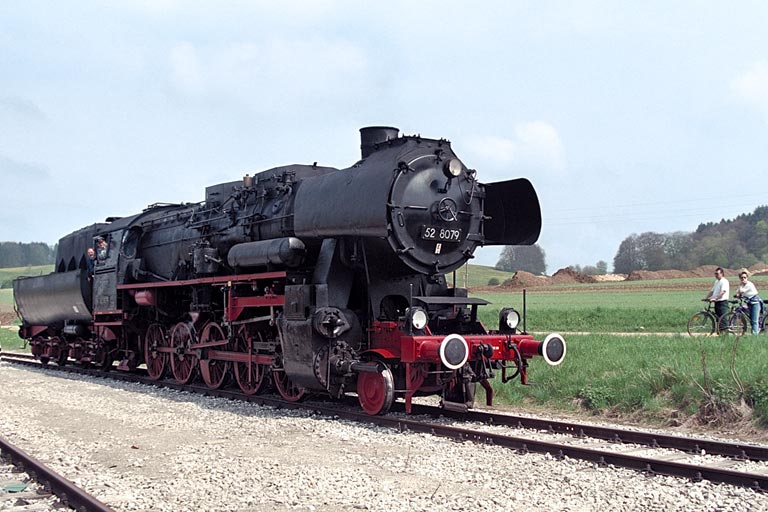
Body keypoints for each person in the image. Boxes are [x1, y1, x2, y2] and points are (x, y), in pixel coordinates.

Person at [735, 270, 764, 335]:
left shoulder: (749, 284)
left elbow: (741, 291)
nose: (743, 279)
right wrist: (737, 294)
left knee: (754, 321)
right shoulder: (742, 285)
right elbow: (737, 292)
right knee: (751, 320)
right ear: (740, 278)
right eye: (742, 278)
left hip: (755, 303)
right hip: (749, 303)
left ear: (747, 278)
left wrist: (740, 286)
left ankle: (755, 335)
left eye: (745, 277)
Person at [703, 267, 730, 332]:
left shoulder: (724, 281)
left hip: (722, 302)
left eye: (717, 274)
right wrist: (706, 298)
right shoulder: (717, 281)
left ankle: (725, 333)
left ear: (722, 274)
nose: (716, 275)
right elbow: (712, 291)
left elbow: (723, 292)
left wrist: (715, 298)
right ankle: (720, 332)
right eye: (715, 274)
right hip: (717, 302)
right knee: (718, 318)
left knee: (723, 318)